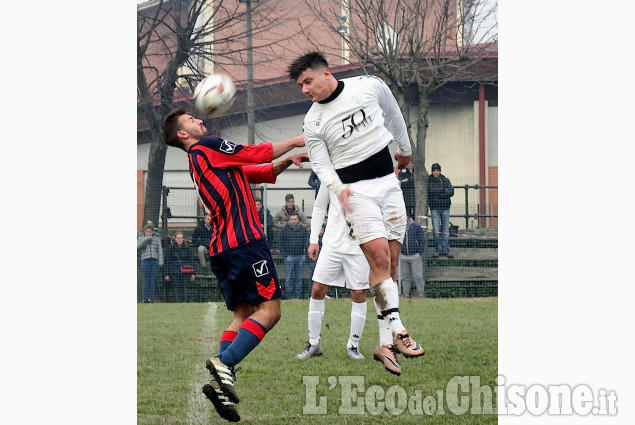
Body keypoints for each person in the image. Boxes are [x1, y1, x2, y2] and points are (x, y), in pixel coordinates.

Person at [161, 108, 308, 422]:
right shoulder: (208, 145)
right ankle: (224, 365)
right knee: (270, 310)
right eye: (191, 120)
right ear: (183, 134)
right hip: (244, 242)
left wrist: (281, 164)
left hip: (222, 249)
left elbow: (247, 172)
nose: (200, 120)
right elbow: (250, 154)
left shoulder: (197, 161)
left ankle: (219, 382)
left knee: (242, 316)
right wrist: (296, 140)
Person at [288, 51, 423, 363]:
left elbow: (393, 115)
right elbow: (321, 167)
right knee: (377, 258)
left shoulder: (368, 86)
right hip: (356, 193)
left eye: (308, 81)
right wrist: (339, 189)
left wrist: (404, 149)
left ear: (325, 73)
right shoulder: (313, 121)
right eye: (300, 86)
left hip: (388, 185)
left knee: (389, 268)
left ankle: (384, 345)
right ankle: (399, 331)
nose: (305, 89)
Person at [298, 185, 424, 375]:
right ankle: (314, 343)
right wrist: (314, 239)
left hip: (359, 246)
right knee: (317, 289)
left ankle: (353, 345)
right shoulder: (331, 177)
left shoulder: (368, 177)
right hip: (332, 245)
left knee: (358, 294)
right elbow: (319, 207)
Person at [427, 162, 455, 258]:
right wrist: (443, 191)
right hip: (435, 209)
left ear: (440, 171)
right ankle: (438, 250)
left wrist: (438, 194)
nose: (436, 172)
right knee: (437, 230)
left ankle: (446, 249)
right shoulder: (429, 180)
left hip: (445, 208)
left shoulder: (445, 179)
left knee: (445, 230)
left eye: (437, 170)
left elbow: (451, 191)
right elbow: (430, 191)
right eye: (434, 170)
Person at [279, 213, 309, 299]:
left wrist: (304, 254)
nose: (293, 221)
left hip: (300, 256)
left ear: (298, 220)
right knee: (289, 278)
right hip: (289, 257)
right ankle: (289, 298)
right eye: (292, 219)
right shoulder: (284, 230)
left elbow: (306, 242)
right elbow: (281, 244)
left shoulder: (303, 229)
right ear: (289, 220)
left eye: (295, 219)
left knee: (299, 278)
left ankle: (298, 297)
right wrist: (285, 255)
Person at [163, 231, 196, 302]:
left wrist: (193, 273)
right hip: (173, 271)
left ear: (183, 239)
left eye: (181, 238)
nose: (179, 240)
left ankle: (185, 301)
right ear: (175, 239)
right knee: (175, 287)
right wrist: (166, 274)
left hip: (185, 271)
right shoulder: (170, 248)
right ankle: (177, 302)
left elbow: (192, 260)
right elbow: (167, 261)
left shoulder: (187, 248)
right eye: (178, 238)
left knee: (185, 286)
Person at [400, 216, 427, 298]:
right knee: (405, 277)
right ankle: (406, 295)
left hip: (415, 256)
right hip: (403, 255)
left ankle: (421, 295)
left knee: (418, 276)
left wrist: (419, 252)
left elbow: (422, 240)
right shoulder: (399, 227)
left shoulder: (416, 227)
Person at [137, 224, 164, 303]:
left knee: (152, 280)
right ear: (144, 231)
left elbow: (159, 250)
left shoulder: (156, 238)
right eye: (147, 232)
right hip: (145, 261)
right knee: (146, 280)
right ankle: (145, 298)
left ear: (153, 232)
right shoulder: (141, 238)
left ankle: (151, 298)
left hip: (154, 261)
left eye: (150, 232)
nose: (149, 233)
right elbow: (138, 246)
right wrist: (147, 239)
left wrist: (160, 261)